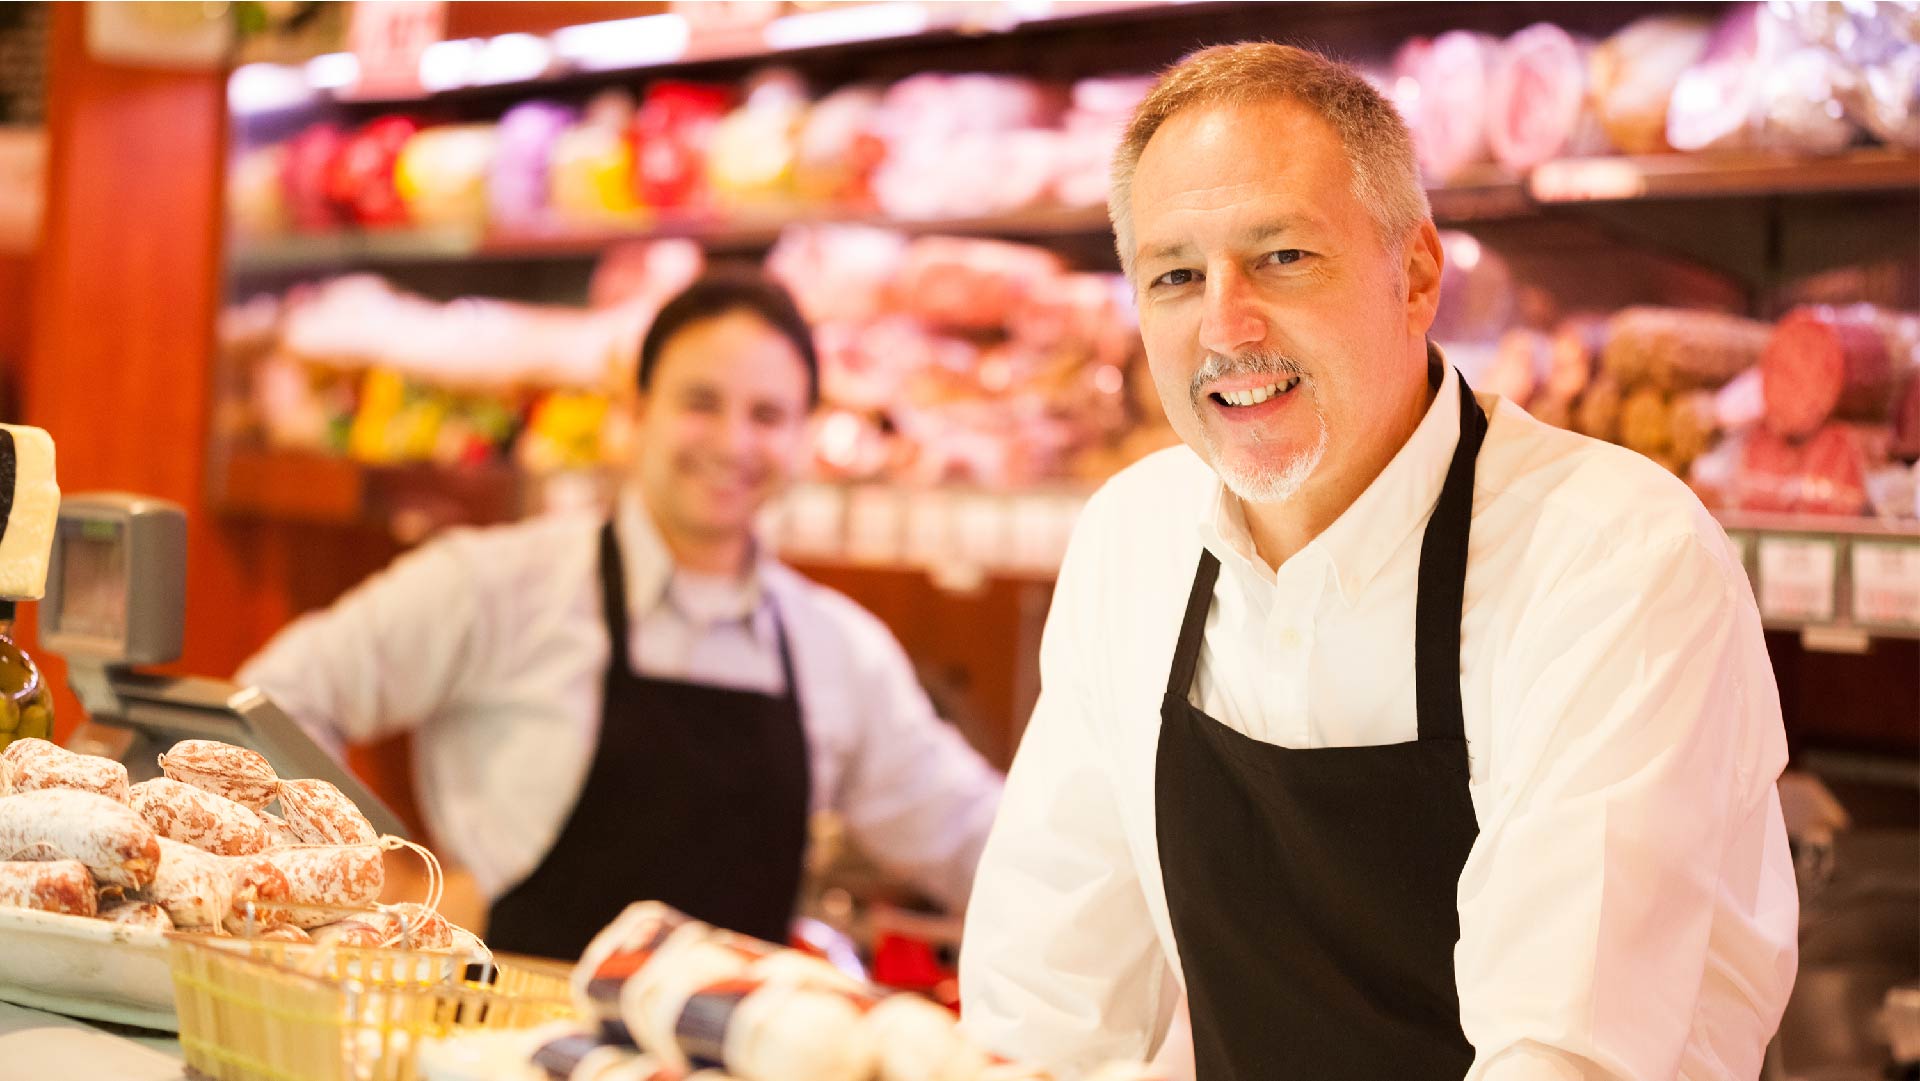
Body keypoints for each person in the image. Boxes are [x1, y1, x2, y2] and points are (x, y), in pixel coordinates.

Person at [959, 43, 1797, 1080]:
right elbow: (1044, 1007)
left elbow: (1566, 1052)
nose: (1226, 326)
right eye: (1175, 275)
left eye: (1283, 258)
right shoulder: (1133, 541)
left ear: (1415, 276)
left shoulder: (1611, 556)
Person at [240, 270, 1003, 961]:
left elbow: (975, 836)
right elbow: (265, 707)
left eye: (768, 414)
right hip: (489, 1050)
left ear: (802, 436)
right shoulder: (495, 583)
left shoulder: (838, 650)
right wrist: (401, 885)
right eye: (701, 402)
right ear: (637, 412)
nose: (734, 442)